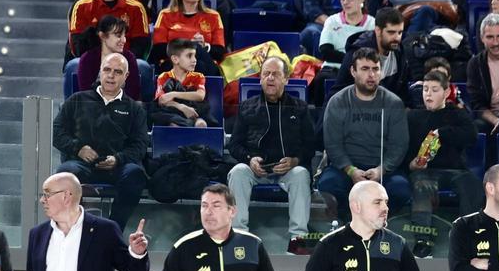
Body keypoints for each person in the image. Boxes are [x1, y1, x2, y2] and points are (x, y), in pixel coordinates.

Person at [227, 56, 316, 254]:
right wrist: (249, 159)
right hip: (256, 169)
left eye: (276, 74)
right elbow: (234, 145)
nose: (270, 78)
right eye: (266, 74)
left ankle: (298, 238)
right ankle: (239, 234)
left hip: (288, 170)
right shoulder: (248, 107)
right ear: (260, 79)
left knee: (301, 174)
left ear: (286, 79)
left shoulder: (299, 108)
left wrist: (295, 160)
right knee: (238, 171)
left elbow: (311, 146)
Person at [52, 53, 149, 229]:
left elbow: (140, 145)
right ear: (100, 72)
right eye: (107, 70)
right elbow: (57, 132)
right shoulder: (77, 100)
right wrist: (78, 148)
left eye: (117, 72)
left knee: (135, 174)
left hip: (118, 166)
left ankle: (113, 228)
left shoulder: (135, 109)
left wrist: (118, 159)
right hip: (81, 163)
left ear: (126, 76)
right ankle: (73, 226)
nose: (111, 75)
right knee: (66, 174)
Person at [318, 47, 410, 220]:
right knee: (328, 184)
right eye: (365, 69)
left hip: (383, 168)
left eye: (375, 69)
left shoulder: (393, 103)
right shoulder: (338, 101)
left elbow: (399, 145)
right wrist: (351, 170)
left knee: (401, 189)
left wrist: (382, 170)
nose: (371, 75)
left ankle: (379, 223)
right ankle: (349, 223)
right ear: (353, 71)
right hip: (346, 168)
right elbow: (332, 144)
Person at [407, 70, 483, 256]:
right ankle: (423, 240)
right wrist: (411, 164)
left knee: (472, 184)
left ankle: (467, 238)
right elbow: (405, 147)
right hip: (426, 172)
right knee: (421, 185)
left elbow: (471, 136)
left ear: (446, 91)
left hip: (455, 170)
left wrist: (442, 133)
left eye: (434, 90)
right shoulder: (413, 117)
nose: (428, 94)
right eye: (425, 89)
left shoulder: (457, 115)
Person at [150, 0, 225, 74]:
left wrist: (205, 46)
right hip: (173, 65)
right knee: (194, 50)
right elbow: (158, 50)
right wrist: (187, 47)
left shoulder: (214, 16)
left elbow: (220, 52)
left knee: (199, 59)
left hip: (205, 65)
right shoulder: (165, 15)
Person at [333, 6, 407, 98]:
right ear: (378, 31)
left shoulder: (399, 52)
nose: (397, 38)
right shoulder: (357, 52)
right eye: (391, 32)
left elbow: (403, 91)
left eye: (400, 32)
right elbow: (337, 92)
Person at [74, 15, 144, 100]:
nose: (124, 40)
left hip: (124, 107)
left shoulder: (129, 58)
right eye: (118, 36)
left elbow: (133, 94)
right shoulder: (88, 59)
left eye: (124, 36)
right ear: (102, 36)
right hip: (94, 108)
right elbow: (86, 94)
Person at [149, 39, 211, 128]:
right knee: (172, 123)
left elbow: (200, 96)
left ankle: (194, 123)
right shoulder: (164, 77)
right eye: (189, 56)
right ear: (175, 59)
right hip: (173, 112)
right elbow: (162, 100)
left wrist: (174, 94)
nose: (194, 60)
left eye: (195, 56)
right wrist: (181, 107)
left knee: (201, 123)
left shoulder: (198, 76)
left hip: (195, 111)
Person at [318, 0, 375, 64]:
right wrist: (354, 61)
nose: (345, 2)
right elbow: (325, 52)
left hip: (363, 73)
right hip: (332, 69)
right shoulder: (332, 21)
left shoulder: (372, 23)